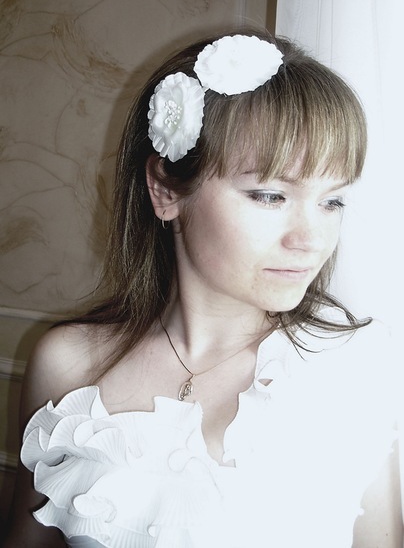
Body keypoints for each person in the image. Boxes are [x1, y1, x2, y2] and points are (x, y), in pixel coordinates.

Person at [4, 28, 402, 548]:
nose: (311, 240)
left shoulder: (355, 368)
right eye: (270, 196)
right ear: (165, 189)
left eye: (332, 201)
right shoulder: (68, 368)